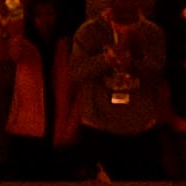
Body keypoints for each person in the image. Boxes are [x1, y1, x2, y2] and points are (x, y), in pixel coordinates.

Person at [69, 0, 166, 175]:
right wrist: (107, 59)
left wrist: (137, 58)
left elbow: (159, 75)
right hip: (98, 127)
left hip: (141, 128)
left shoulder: (152, 32)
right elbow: (77, 72)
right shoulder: (89, 32)